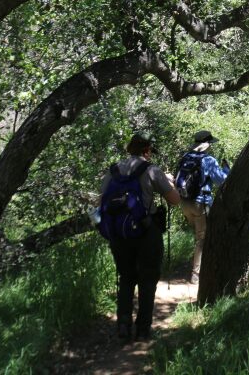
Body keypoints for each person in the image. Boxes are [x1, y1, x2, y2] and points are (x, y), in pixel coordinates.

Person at [99, 132, 181, 342]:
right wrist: (169, 183)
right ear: (146, 151)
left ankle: (123, 326)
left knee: (126, 278)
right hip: (146, 232)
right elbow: (174, 200)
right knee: (148, 279)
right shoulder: (151, 170)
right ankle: (143, 328)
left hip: (119, 233)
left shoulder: (113, 171)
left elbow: (101, 201)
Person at [178, 130, 230, 285]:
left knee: (198, 235)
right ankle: (196, 274)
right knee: (202, 239)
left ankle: (198, 265)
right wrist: (227, 169)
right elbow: (221, 181)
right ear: (206, 144)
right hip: (200, 203)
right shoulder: (209, 160)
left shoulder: (185, 157)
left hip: (184, 202)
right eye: (210, 144)